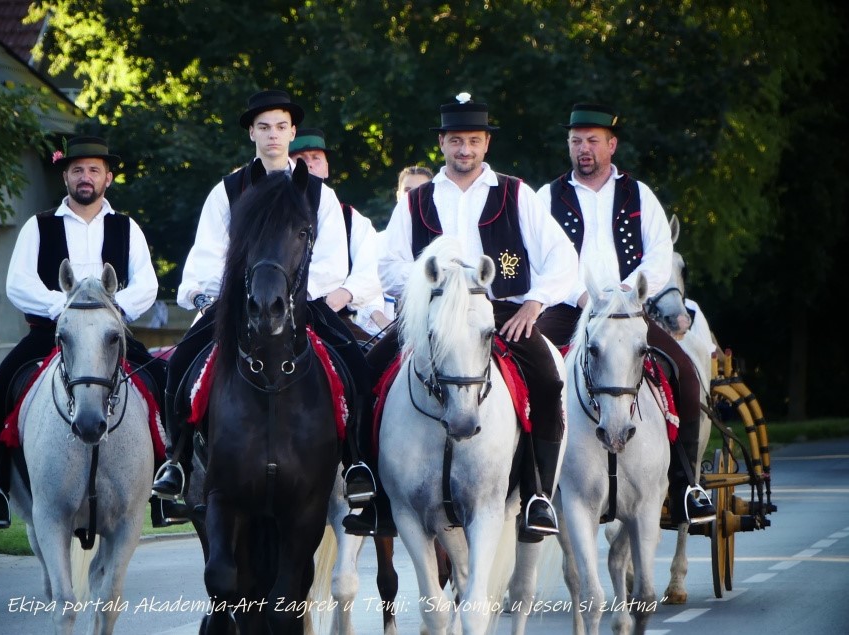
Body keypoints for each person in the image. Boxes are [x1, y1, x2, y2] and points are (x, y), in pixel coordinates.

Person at [345, 93, 579, 540]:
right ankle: (375, 493)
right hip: (430, 316)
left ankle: (536, 496)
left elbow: (561, 256)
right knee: (363, 375)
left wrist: (536, 303)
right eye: (456, 140)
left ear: (486, 144)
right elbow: (389, 266)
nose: (464, 149)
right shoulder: (417, 201)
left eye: (473, 140)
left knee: (548, 382)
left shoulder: (515, 193)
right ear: (442, 144)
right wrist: (426, 288)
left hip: (503, 313)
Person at [151, 90, 377, 511]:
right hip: (240, 307)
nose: (273, 135)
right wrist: (222, 295)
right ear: (251, 133)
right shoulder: (227, 190)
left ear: (292, 132)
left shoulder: (318, 193)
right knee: (181, 361)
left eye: (280, 127)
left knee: (356, 365)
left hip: (304, 304)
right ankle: (177, 460)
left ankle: (356, 462)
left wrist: (291, 296)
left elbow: (332, 262)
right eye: (263, 127)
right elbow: (207, 255)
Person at [536, 103, 715, 525]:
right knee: (532, 378)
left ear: (611, 145)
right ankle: (535, 490)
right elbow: (538, 256)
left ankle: (686, 485)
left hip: (630, 313)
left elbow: (658, 256)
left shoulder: (640, 194)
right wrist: (582, 295)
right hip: (568, 308)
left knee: (687, 378)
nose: (584, 149)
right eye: (576, 140)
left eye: (592, 141)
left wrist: (627, 294)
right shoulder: (547, 196)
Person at [0, 135, 167, 529]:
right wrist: (60, 310)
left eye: (94, 170)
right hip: (51, 333)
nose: (85, 177)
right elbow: (18, 282)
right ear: (66, 176)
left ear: (107, 178)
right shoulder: (38, 226)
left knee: (163, 381)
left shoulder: (126, 227)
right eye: (77, 170)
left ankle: (165, 485)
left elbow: (147, 284)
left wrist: (112, 313)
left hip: (111, 336)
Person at [288, 126, 390, 338]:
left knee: (364, 365)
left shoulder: (353, 221)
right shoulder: (273, 215)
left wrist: (345, 293)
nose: (308, 164)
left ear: (326, 168)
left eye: (316, 158)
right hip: (276, 316)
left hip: (330, 318)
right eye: (299, 158)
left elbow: (372, 269)